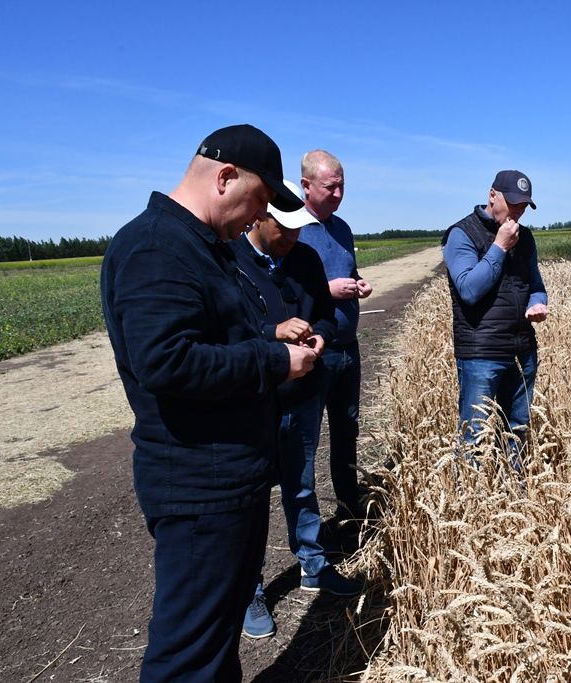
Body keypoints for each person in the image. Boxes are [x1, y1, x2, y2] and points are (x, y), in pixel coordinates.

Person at [100, 124, 319, 682]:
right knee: (188, 655)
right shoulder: (157, 246)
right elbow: (166, 361)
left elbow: (206, 340)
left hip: (227, 477)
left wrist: (270, 338)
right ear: (225, 177)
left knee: (216, 637)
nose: (258, 217)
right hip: (199, 483)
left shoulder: (201, 247)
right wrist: (274, 363)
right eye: (260, 201)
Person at [230, 180, 364, 639]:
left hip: (305, 391)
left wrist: (322, 335)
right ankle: (250, 591)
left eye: (296, 231)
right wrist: (274, 332)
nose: (291, 238)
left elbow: (326, 312)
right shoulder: (231, 261)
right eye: (283, 230)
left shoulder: (304, 257)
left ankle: (312, 563)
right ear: (258, 216)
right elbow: (227, 334)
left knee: (301, 483)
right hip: (256, 398)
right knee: (250, 497)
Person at [441, 170, 549, 467]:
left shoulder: (525, 238)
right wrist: (499, 247)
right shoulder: (461, 234)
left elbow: (536, 287)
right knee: (474, 436)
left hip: (522, 350)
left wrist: (538, 304)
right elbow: (469, 290)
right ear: (492, 195)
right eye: (513, 204)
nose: (518, 212)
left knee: (516, 429)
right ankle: (470, 501)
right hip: (481, 354)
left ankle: (512, 495)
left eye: (524, 206)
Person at [297, 150, 373, 527]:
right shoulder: (292, 230)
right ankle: (310, 533)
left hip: (348, 348)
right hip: (314, 352)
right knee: (305, 443)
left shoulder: (341, 228)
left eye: (343, 185)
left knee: (347, 431)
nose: (339, 193)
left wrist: (358, 284)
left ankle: (349, 509)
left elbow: (349, 270)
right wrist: (328, 290)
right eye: (331, 186)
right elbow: (286, 291)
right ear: (306, 186)